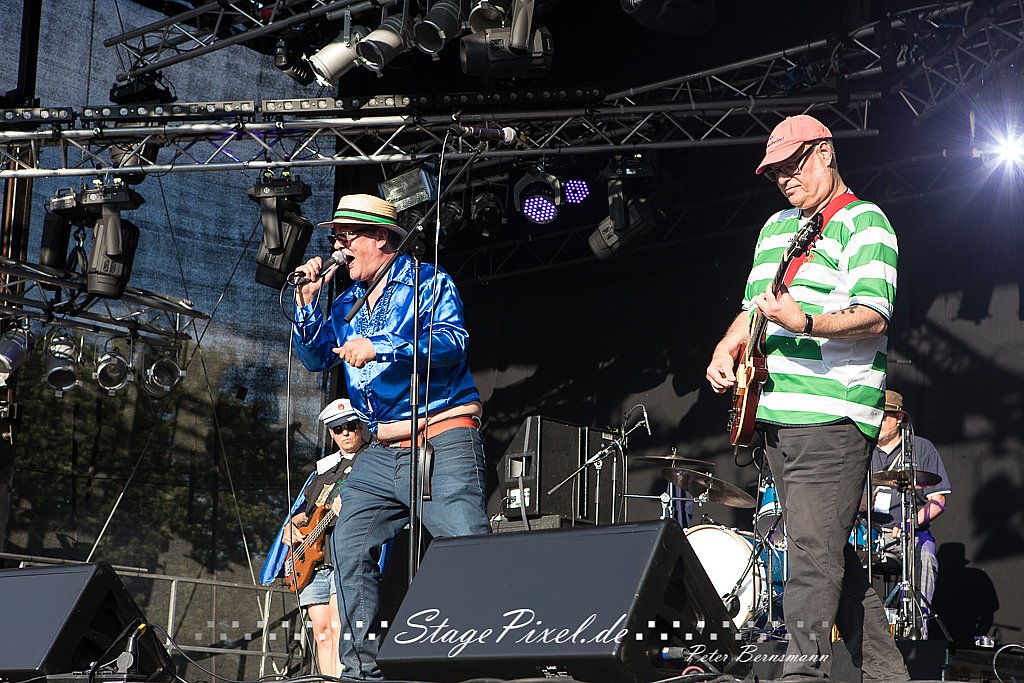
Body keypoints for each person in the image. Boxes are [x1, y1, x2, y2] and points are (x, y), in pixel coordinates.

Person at [705, 115, 909, 681]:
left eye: (791, 165)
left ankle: (801, 675)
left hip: (833, 419)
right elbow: (753, 309)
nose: (783, 179)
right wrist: (727, 346)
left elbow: (874, 315)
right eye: (774, 173)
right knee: (826, 556)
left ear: (825, 152)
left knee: (811, 565)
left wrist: (806, 321)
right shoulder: (775, 228)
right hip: (774, 418)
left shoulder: (865, 222)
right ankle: (889, 676)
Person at [291, 193, 490, 680]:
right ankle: (360, 671)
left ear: (381, 238)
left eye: (347, 236)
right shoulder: (345, 304)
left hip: (440, 438)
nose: (339, 247)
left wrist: (382, 346)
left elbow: (452, 343)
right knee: (348, 543)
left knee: (468, 549)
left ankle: (489, 659)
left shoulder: (427, 282)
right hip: (381, 450)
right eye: (335, 239)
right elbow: (315, 358)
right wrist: (308, 304)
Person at [259, 398, 370, 677]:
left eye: (350, 426)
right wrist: (290, 527)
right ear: (331, 433)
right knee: (320, 631)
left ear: (361, 426)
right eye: (338, 429)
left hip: (343, 554)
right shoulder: (324, 470)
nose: (345, 433)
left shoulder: (372, 461)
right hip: (311, 560)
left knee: (339, 626)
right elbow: (303, 512)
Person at [871, 389, 950, 638]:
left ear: (899, 419)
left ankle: (918, 632)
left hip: (908, 533)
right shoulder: (863, 449)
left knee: (925, 554)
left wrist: (910, 524)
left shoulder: (921, 448)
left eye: (885, 416)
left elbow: (938, 501)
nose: (878, 421)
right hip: (869, 533)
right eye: (875, 415)